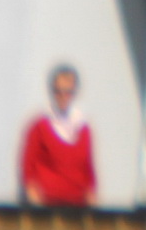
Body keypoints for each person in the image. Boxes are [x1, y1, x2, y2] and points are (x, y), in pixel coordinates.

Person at [19, 65, 94, 207]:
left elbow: (89, 172)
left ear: (75, 93)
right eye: (58, 91)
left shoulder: (83, 128)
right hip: (47, 208)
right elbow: (28, 171)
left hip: (77, 208)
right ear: (52, 92)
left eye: (68, 92)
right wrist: (38, 208)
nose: (63, 96)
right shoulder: (39, 126)